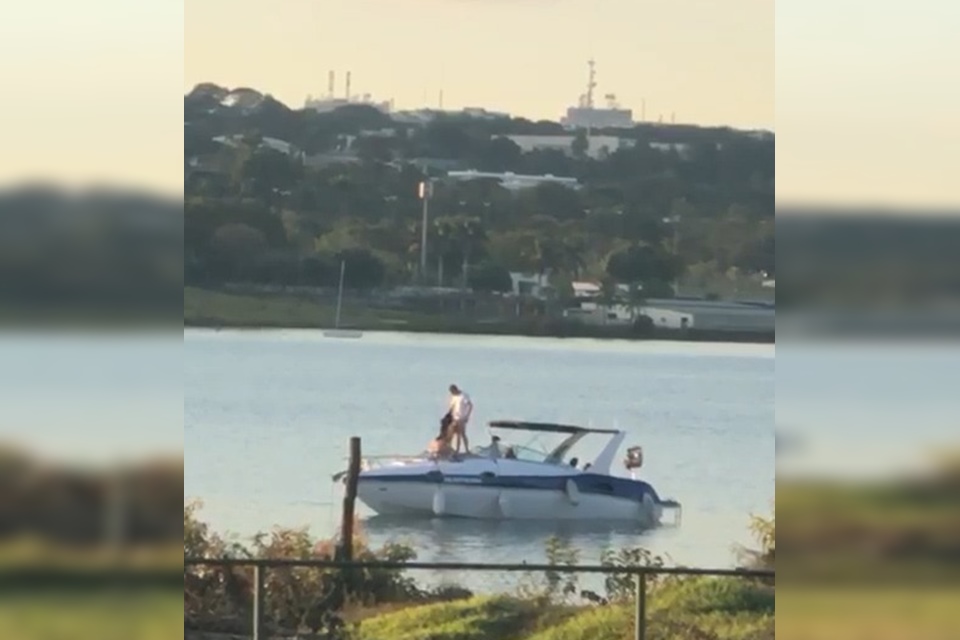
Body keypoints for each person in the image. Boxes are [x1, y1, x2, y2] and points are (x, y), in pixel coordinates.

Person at [447, 384, 473, 454]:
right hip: (454, 417)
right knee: (451, 433)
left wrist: (467, 416)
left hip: (462, 417)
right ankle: (450, 448)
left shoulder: (463, 396)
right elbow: (452, 407)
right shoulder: (454, 397)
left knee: (461, 434)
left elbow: (470, 405)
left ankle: (465, 450)